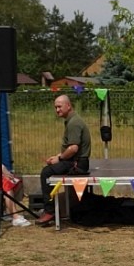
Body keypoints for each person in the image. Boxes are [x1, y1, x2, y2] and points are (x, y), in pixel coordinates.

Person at [36, 94, 91, 225]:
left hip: (77, 164)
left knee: (46, 172)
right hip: (75, 161)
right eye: (55, 107)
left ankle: (49, 211)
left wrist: (59, 158)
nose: (57, 110)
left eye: (59, 107)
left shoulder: (74, 123)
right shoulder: (72, 120)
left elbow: (73, 148)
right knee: (51, 168)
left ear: (68, 105)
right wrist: (57, 157)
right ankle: (65, 208)